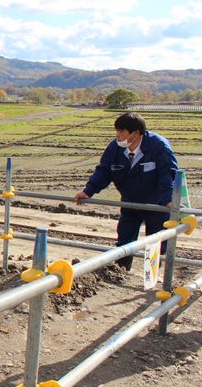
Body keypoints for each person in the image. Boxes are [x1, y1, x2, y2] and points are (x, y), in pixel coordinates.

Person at [74, 112, 178, 271]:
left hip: (156, 205)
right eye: (117, 131)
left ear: (136, 133)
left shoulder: (158, 146)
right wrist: (88, 191)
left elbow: (167, 173)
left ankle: (150, 278)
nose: (118, 135)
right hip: (130, 202)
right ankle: (121, 272)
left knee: (155, 243)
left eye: (122, 131)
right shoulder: (115, 148)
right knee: (124, 241)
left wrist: (167, 199)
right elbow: (104, 171)